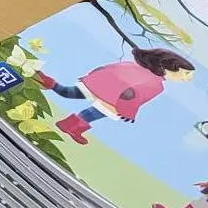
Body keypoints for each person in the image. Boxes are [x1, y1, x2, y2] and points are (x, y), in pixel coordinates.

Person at [35, 46, 195, 144]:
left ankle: (49, 83)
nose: (188, 78)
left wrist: (94, 75)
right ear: (171, 67)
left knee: (72, 92)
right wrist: (127, 112)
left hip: (100, 84)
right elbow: (133, 96)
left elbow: (108, 69)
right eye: (186, 73)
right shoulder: (156, 85)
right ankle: (70, 126)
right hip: (114, 98)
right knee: (99, 111)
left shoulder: (133, 66)